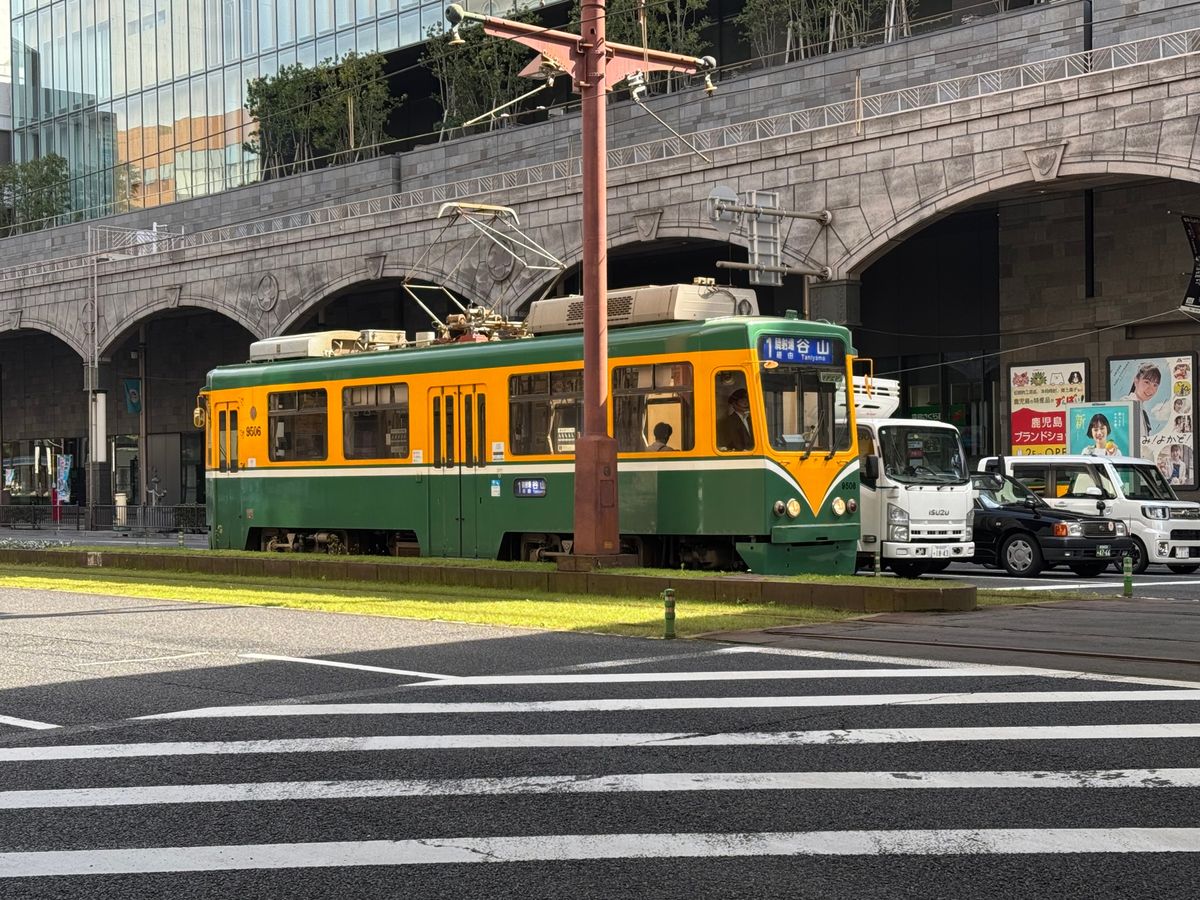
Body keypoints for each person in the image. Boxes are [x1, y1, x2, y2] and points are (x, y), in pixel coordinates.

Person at [1123, 363, 1161, 437]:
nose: (1151, 389)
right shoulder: (1125, 404)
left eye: (1155, 385)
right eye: (1147, 382)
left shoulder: (1141, 408)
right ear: (1136, 381)